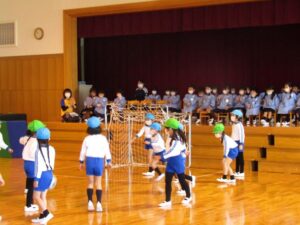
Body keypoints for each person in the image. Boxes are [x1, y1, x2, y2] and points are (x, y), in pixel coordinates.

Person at [79, 117, 112, 212]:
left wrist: (81, 162)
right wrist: (108, 161)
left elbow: (83, 152)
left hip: (89, 160)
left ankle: (90, 203)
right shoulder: (103, 138)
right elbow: (107, 151)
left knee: (90, 183)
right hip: (99, 161)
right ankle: (99, 204)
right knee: (98, 183)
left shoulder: (87, 138)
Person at [159, 118, 191, 208]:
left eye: (167, 128)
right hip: (171, 162)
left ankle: (188, 195)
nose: (165, 130)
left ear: (171, 129)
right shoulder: (172, 137)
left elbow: (173, 151)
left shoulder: (177, 139)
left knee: (182, 180)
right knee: (167, 181)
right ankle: (167, 200)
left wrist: (162, 157)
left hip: (178, 162)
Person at [20, 120, 45, 212]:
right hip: (32, 164)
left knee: (29, 182)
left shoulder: (28, 139)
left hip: (26, 164)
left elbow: (20, 140)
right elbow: (35, 154)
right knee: (32, 186)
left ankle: (28, 199)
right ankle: (28, 205)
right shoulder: (36, 142)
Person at [31, 128, 55, 224]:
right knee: (43, 196)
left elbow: (38, 166)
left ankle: (47, 213)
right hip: (49, 173)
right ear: (49, 138)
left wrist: (36, 179)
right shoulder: (52, 149)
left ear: (37, 139)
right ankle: (42, 217)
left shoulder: (38, 151)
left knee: (36, 196)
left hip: (41, 175)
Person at [230, 110, 245, 178]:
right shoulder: (233, 124)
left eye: (233, 115)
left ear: (237, 117)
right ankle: (237, 171)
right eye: (232, 115)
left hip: (239, 142)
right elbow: (233, 134)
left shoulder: (239, 125)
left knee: (240, 156)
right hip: (234, 142)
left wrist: (241, 144)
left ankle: (241, 171)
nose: (231, 116)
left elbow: (242, 135)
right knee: (237, 156)